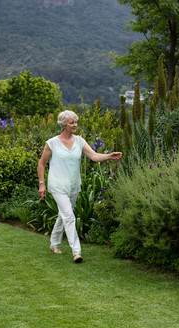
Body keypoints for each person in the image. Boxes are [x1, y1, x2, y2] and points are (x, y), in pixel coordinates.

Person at [37, 110, 122, 263]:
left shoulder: (80, 141)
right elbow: (41, 164)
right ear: (64, 125)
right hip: (57, 185)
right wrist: (41, 184)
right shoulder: (52, 143)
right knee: (69, 217)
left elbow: (94, 156)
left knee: (64, 215)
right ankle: (77, 252)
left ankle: (54, 244)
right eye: (72, 122)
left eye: (76, 122)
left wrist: (109, 156)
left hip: (73, 186)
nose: (75, 125)